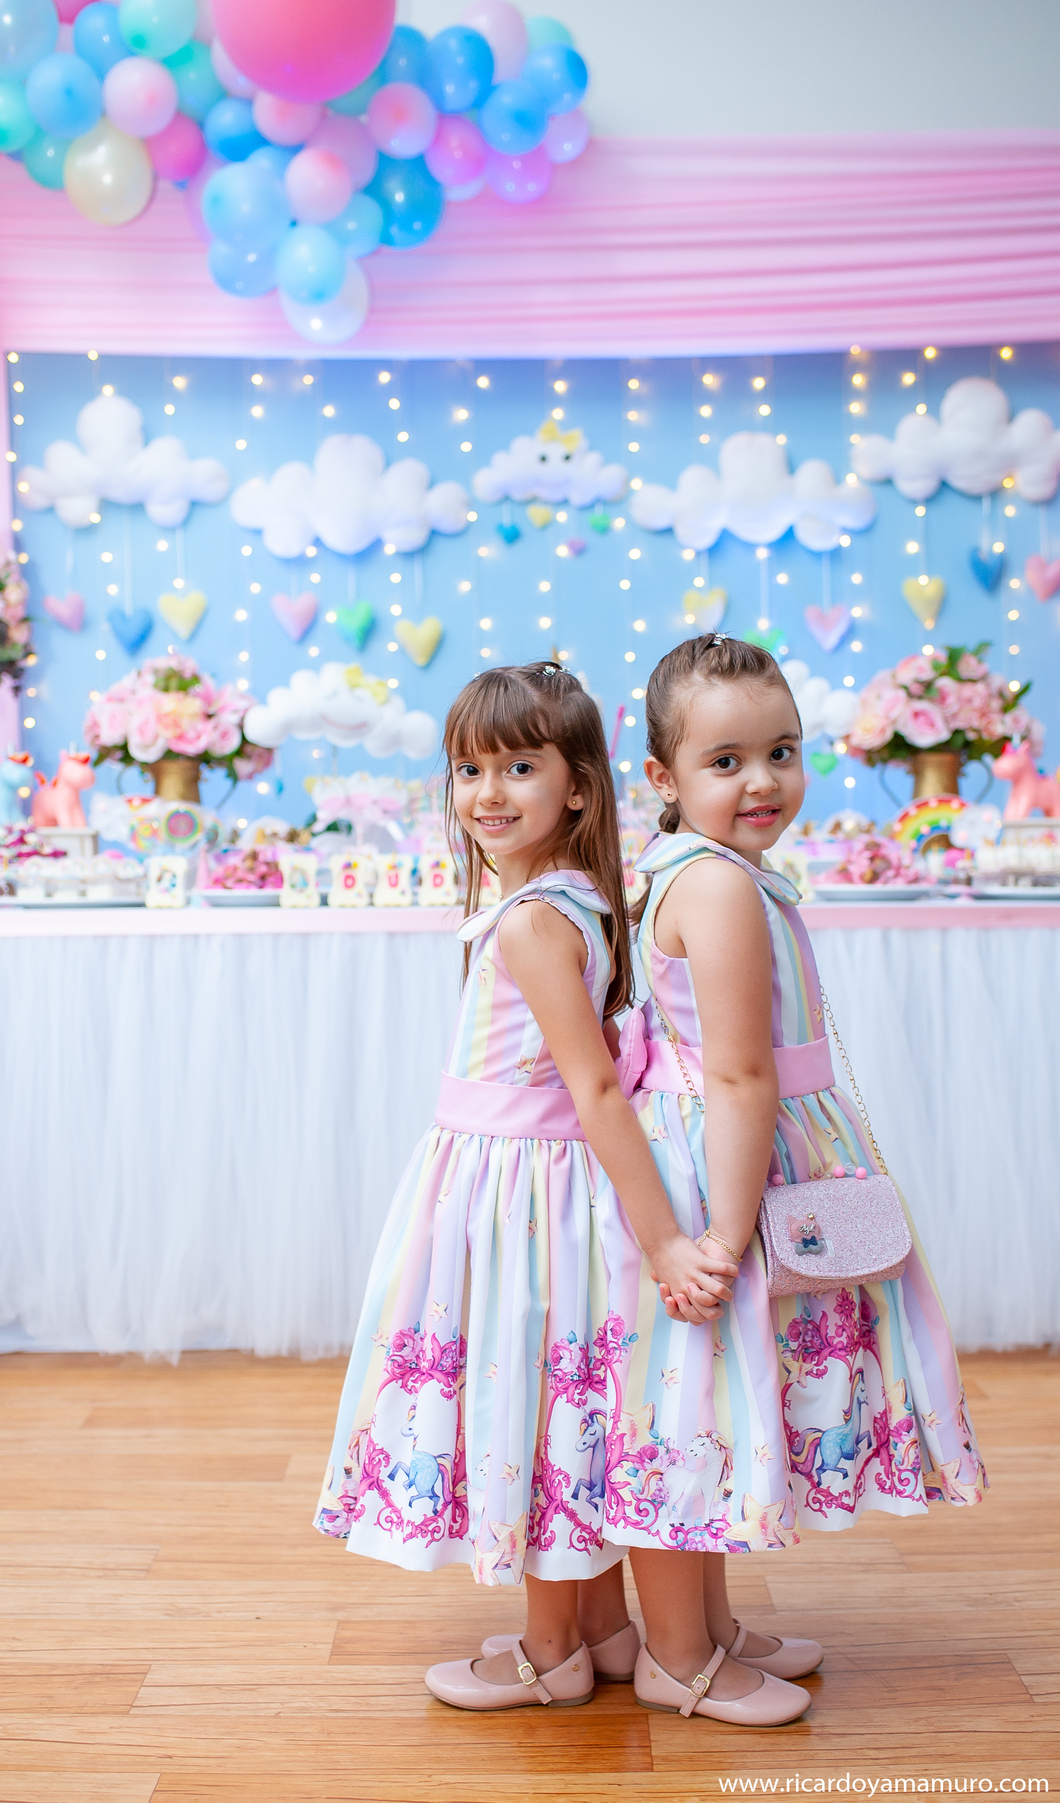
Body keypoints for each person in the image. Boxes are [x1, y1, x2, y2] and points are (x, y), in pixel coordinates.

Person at [313, 662, 772, 1714]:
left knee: (524, 1401)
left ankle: (555, 1644)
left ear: (578, 786)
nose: (487, 792)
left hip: (514, 1196)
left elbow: (596, 1089)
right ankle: (593, 1631)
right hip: (527, 1190)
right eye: (469, 769)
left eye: (519, 767)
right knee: (555, 1406)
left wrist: (666, 1240)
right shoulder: (575, 901)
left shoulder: (532, 921)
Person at [586, 632, 985, 1725]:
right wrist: (723, 1232)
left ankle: (708, 1627)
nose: (761, 780)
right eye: (725, 761)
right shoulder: (715, 886)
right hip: (722, 1169)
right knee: (686, 1403)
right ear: (664, 777)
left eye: (782, 751)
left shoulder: (716, 872)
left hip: (739, 1151)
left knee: (716, 1396)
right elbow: (737, 1070)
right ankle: (676, 1653)